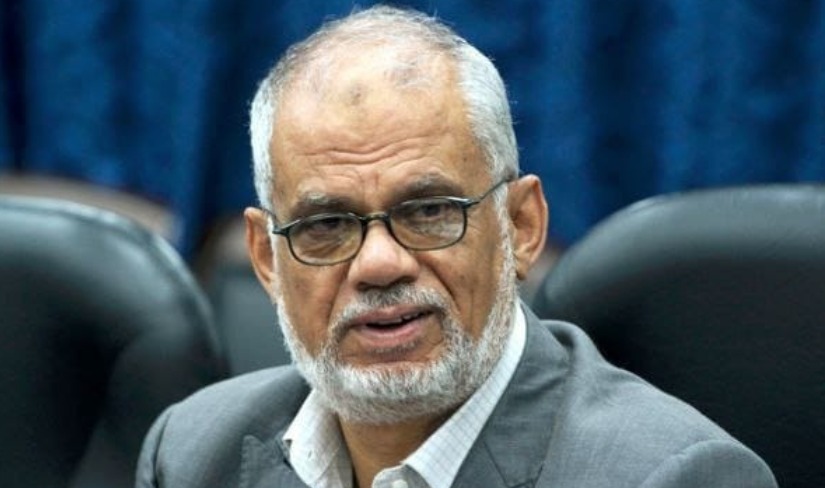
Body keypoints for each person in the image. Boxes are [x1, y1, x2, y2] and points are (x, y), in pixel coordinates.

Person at [136, 5, 777, 488]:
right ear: (267, 258)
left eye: (429, 211)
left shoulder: (673, 476)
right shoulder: (192, 454)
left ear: (520, 226)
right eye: (326, 224)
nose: (379, 263)